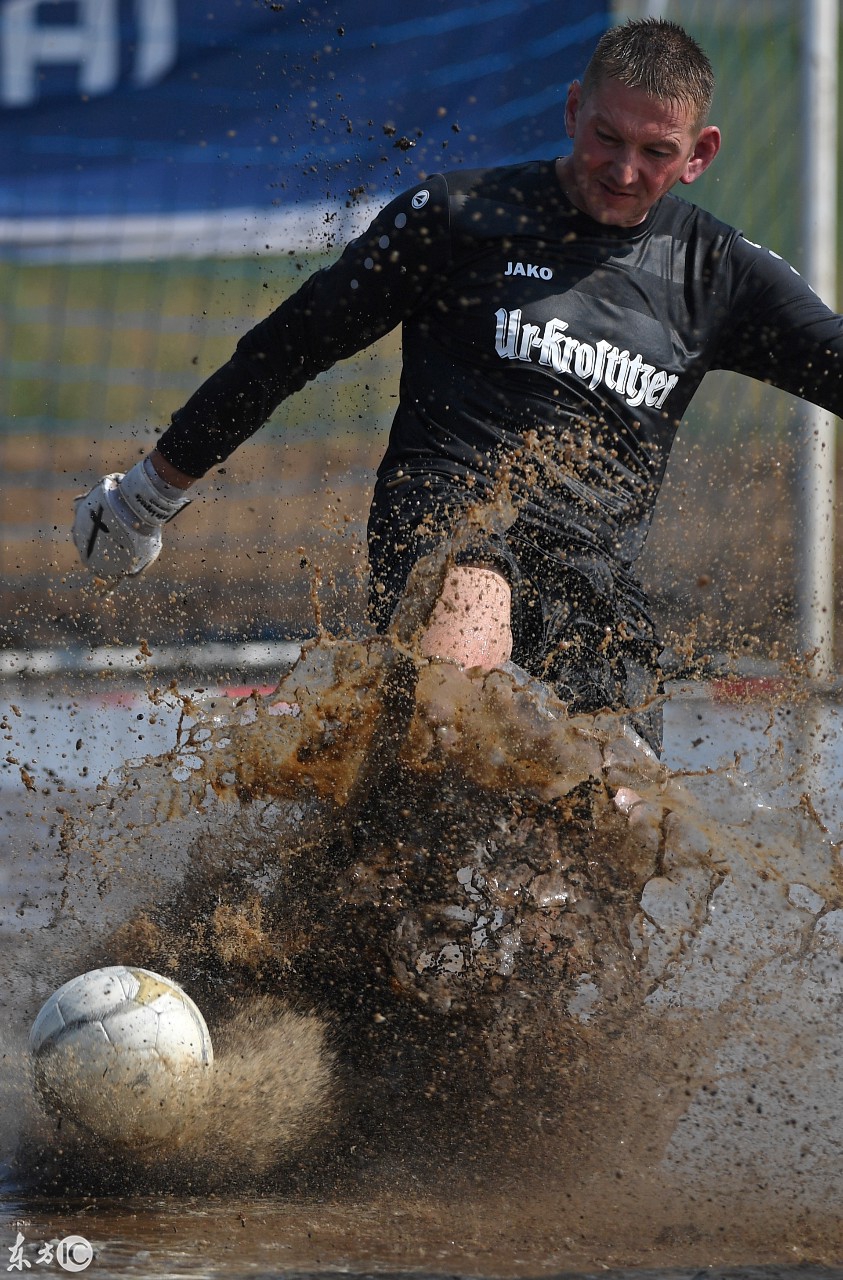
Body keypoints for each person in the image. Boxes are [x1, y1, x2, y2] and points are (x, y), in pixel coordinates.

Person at [73, 17, 843, 762]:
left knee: (618, 833)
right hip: (452, 524)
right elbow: (286, 349)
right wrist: (149, 493)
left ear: (698, 153)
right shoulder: (457, 217)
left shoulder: (719, 273)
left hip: (593, 579)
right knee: (453, 709)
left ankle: (362, 853)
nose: (623, 170)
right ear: (573, 108)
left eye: (655, 151)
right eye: (606, 137)